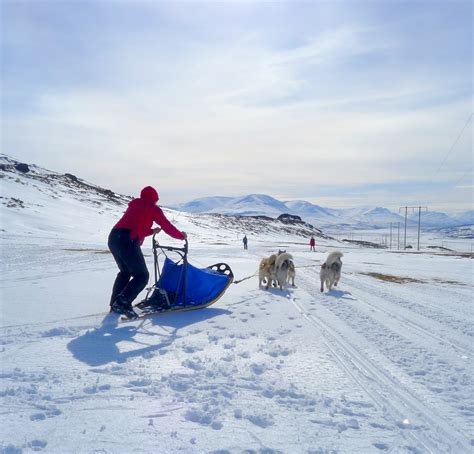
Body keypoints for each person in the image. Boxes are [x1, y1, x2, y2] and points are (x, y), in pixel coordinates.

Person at [108, 186, 186, 317]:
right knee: (142, 276)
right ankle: (122, 303)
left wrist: (152, 231)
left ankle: (115, 304)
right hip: (127, 240)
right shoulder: (152, 208)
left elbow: (135, 226)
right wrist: (181, 236)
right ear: (154, 199)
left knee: (125, 272)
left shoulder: (134, 206)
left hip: (114, 238)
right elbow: (167, 226)